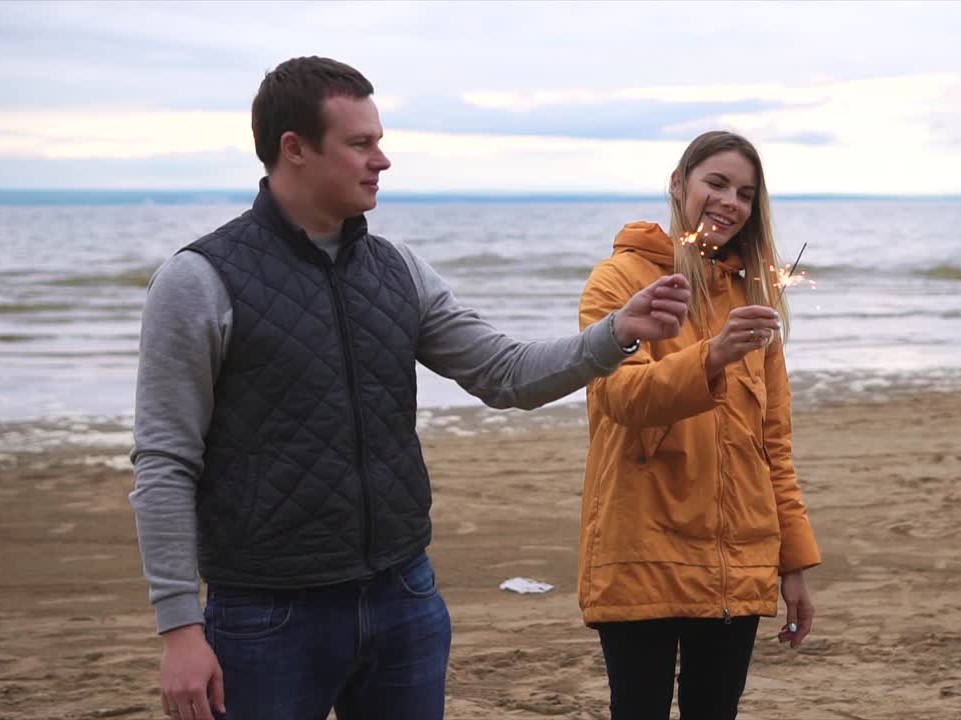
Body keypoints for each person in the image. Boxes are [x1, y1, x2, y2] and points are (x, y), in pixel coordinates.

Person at [128, 56, 691, 720]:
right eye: (360, 143)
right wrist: (179, 628)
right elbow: (165, 462)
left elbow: (504, 374)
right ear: (295, 150)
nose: (382, 160)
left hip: (403, 595)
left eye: (380, 141)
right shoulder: (198, 281)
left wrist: (616, 332)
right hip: (267, 614)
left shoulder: (397, 270)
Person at [574, 130, 821, 720]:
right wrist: (712, 356)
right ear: (679, 184)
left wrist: (793, 563)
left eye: (744, 193)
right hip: (641, 548)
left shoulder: (751, 298)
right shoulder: (618, 280)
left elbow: (773, 446)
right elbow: (618, 396)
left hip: (737, 560)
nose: (729, 202)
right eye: (716, 183)